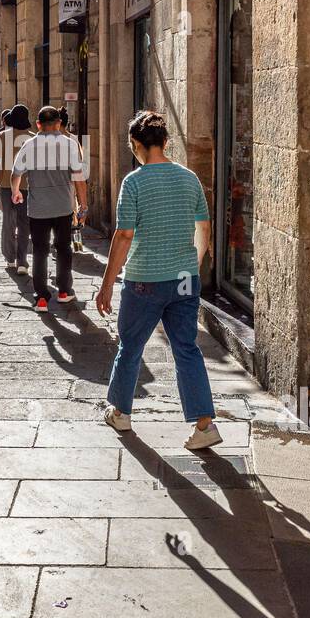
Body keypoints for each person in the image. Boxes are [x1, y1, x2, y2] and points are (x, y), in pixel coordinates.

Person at [95, 109, 221, 452]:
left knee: (131, 347)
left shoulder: (134, 182)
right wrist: (191, 265)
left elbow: (123, 236)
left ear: (135, 145)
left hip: (144, 280)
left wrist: (106, 284)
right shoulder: (189, 178)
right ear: (166, 142)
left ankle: (120, 412)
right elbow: (204, 228)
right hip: (183, 279)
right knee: (187, 349)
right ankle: (204, 424)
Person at [11, 104, 87, 310]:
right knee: (63, 249)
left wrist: (16, 192)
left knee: (40, 251)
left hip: (37, 209)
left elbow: (16, 174)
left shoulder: (28, 145)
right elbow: (79, 179)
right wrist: (84, 206)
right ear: (59, 124)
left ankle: (41, 297)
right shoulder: (70, 145)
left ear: (38, 125)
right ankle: (63, 291)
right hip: (63, 208)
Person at [0, 104, 34, 273]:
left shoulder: (3, 136)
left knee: (8, 221)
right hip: (27, 185)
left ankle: (10, 259)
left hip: (6, 185)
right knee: (24, 224)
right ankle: (22, 262)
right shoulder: (34, 137)